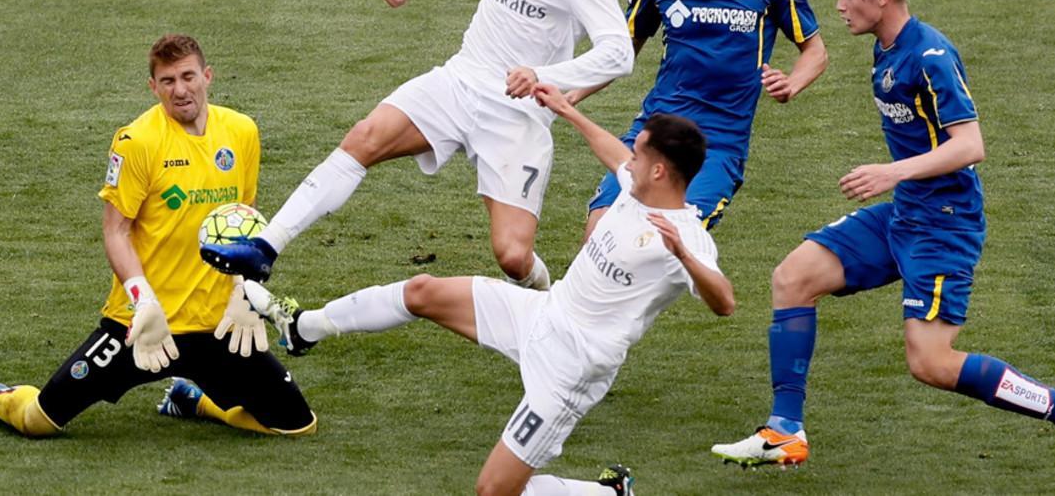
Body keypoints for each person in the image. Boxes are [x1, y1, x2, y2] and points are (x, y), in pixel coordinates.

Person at [709, 0, 1055, 489]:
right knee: (793, 276)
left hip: (945, 224)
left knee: (931, 363)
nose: (840, 6)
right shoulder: (887, 48)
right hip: (905, 215)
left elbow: (970, 145)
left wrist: (890, 172)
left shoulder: (930, 55)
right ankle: (784, 431)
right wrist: (792, 85)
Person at [243, 82, 734, 495]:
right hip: (541, 314)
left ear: (659, 171)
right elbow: (614, 152)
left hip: (573, 366)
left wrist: (686, 257)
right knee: (423, 291)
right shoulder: (636, 184)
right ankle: (304, 328)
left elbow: (724, 302)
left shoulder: (685, 234)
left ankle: (603, 492)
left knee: (494, 491)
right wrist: (565, 109)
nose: (630, 157)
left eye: (640, 151)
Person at [201, 0, 633, 291]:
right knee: (364, 137)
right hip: (460, 80)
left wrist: (543, 76)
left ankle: (549, 296)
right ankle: (265, 247)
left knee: (512, 256)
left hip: (516, 113)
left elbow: (617, 54)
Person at [0, 34, 316, 438]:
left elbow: (242, 222)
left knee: (296, 426)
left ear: (207, 76)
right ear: (153, 86)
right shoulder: (138, 141)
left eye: (187, 77)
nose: (180, 90)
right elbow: (116, 230)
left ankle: (194, 399)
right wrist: (142, 298)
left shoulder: (241, 131)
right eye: (167, 81)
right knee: (39, 421)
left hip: (216, 324)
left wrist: (242, 292)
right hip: (142, 325)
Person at [572, 0, 827, 237]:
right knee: (600, 231)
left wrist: (792, 83)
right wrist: (570, 94)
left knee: (665, 242)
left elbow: (815, 51)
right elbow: (620, 52)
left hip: (718, 145)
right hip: (655, 131)